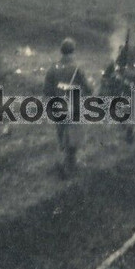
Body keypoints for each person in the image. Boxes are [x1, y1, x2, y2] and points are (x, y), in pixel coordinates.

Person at [44, 38, 93, 178]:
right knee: (74, 136)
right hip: (73, 106)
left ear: (61, 51)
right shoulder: (77, 69)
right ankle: (69, 166)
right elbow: (88, 89)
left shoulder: (53, 68)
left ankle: (63, 161)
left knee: (61, 133)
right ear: (73, 51)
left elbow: (47, 91)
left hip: (57, 106)